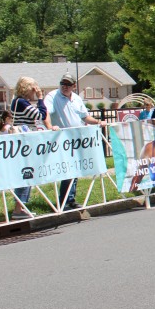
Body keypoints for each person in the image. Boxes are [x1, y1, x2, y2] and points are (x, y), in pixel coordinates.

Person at [44, 73, 101, 210]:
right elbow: (46, 113)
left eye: (68, 84)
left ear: (74, 86)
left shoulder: (76, 98)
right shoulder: (52, 96)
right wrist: (50, 127)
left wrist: (98, 122)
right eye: (62, 83)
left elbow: (85, 117)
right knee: (68, 170)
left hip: (77, 139)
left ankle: (70, 199)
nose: (64, 86)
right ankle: (65, 201)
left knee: (75, 169)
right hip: (62, 139)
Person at [9, 76, 55, 220]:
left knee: (27, 174)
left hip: (23, 141)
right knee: (27, 174)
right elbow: (41, 114)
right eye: (34, 89)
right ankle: (18, 209)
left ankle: (20, 207)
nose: (35, 92)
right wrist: (41, 98)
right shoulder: (21, 102)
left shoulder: (17, 102)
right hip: (24, 142)